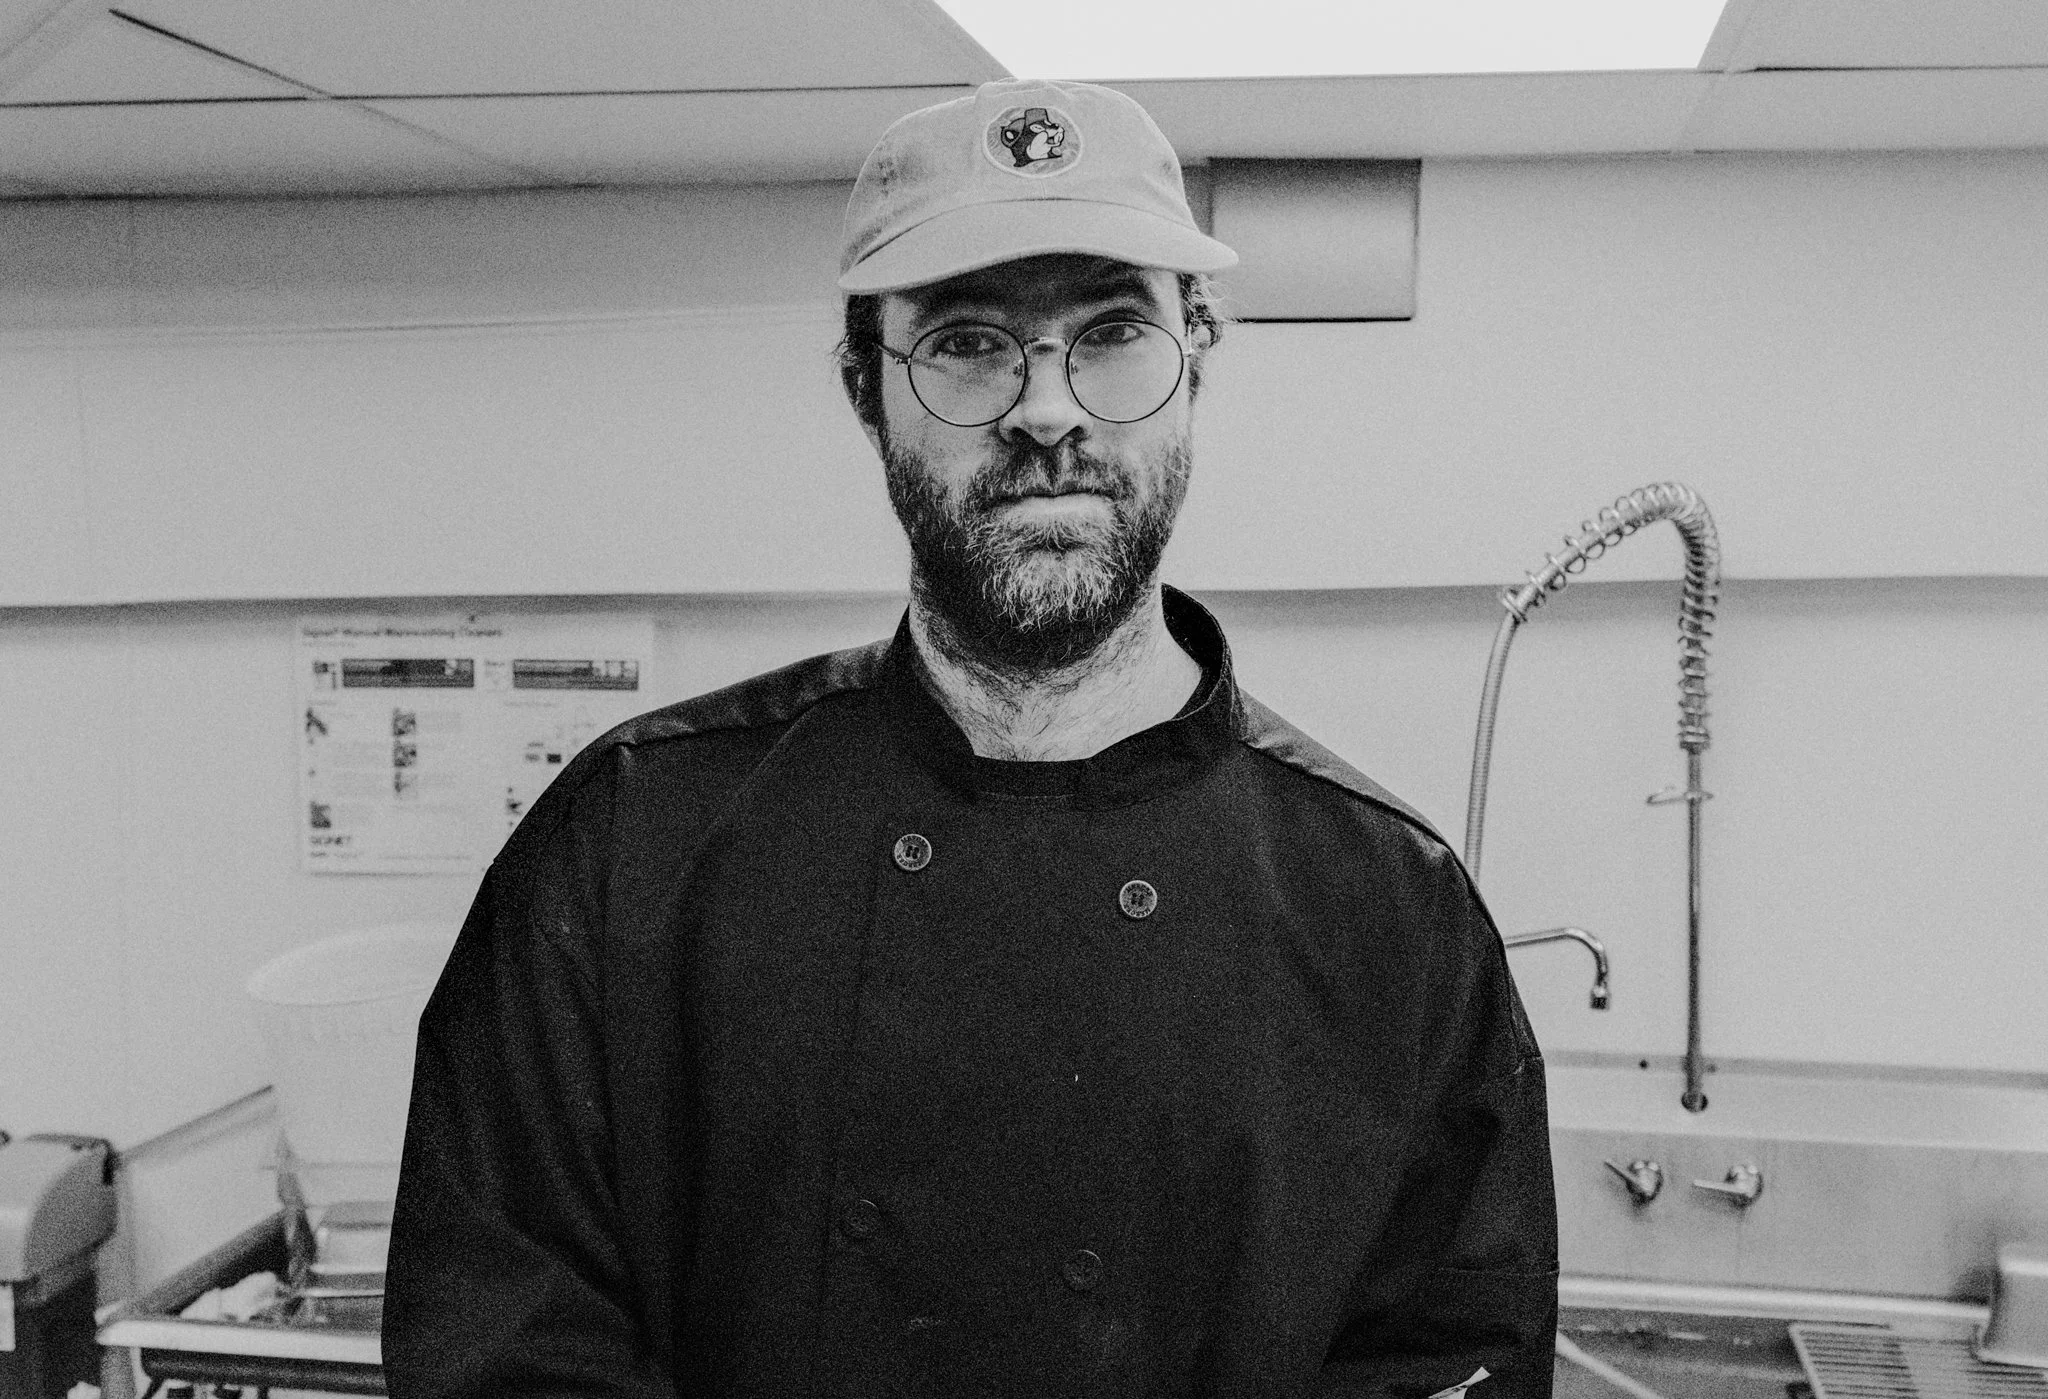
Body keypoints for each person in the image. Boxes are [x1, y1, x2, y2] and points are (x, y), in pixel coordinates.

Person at [385, 78, 1557, 1399]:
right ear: (863, 389)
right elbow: (508, 1351)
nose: (1046, 409)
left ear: (1195, 364)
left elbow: (1448, 1362)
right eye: (968, 342)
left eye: (1112, 332)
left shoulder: (1387, 910)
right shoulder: (628, 851)